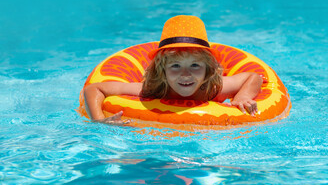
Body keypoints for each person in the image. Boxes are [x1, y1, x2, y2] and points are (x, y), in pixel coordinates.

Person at [84, 15, 263, 124]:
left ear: (208, 70)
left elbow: (254, 77)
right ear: (162, 70)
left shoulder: (213, 88)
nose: (186, 74)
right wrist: (99, 121)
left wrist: (243, 97)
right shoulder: (153, 89)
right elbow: (94, 88)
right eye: (175, 66)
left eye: (195, 65)